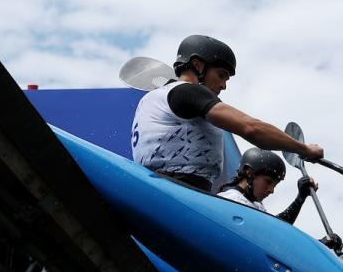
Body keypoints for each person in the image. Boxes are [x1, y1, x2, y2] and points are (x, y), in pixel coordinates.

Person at [132, 34, 323, 192]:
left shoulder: (152, 99)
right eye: (221, 75)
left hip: (155, 188)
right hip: (182, 192)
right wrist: (304, 149)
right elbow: (252, 128)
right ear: (198, 66)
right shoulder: (188, 91)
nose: (223, 85)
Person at [219, 148, 316, 224]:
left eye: (275, 186)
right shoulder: (230, 199)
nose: (271, 190)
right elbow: (270, 232)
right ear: (249, 173)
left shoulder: (256, 205)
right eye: (268, 182)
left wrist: (301, 198)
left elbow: (276, 227)